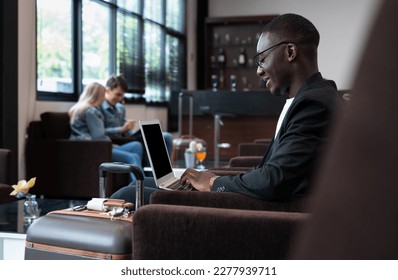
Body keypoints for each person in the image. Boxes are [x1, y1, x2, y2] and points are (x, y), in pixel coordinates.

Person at [111, 13, 341, 203]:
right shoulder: (309, 98)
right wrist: (214, 179)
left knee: (130, 193)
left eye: (262, 59)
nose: (259, 71)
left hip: (258, 213)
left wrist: (213, 183)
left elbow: (275, 181)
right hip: (258, 201)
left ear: (290, 52)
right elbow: (277, 170)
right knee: (140, 183)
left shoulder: (313, 104)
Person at [69, 82, 143, 182]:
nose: (104, 98)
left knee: (136, 146)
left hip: (89, 146)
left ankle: (131, 185)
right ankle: (140, 188)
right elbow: (99, 136)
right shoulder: (91, 111)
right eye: (103, 95)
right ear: (98, 95)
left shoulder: (77, 108)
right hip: (98, 149)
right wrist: (113, 145)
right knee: (133, 157)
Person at [99, 75, 174, 166]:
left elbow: (126, 132)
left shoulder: (120, 108)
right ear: (107, 90)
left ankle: (164, 171)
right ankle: (151, 176)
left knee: (166, 136)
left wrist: (132, 130)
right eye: (118, 94)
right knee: (146, 142)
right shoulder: (99, 108)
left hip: (127, 138)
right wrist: (121, 129)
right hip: (114, 142)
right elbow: (100, 133)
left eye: (122, 95)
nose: (120, 99)